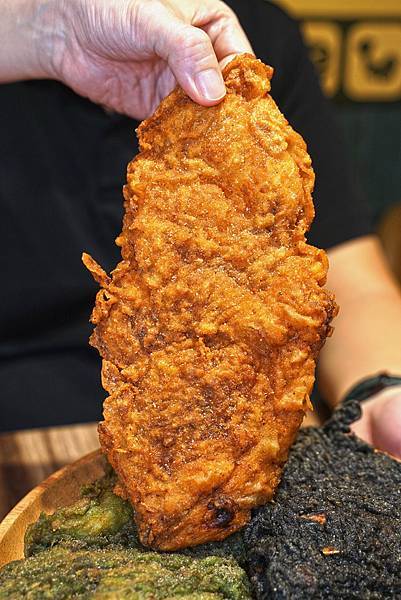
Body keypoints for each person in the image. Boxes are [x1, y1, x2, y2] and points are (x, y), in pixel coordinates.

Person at [1, 0, 401, 457]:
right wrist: (48, 29)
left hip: (247, 431)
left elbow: (354, 281)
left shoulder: (243, 35)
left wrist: (384, 390)